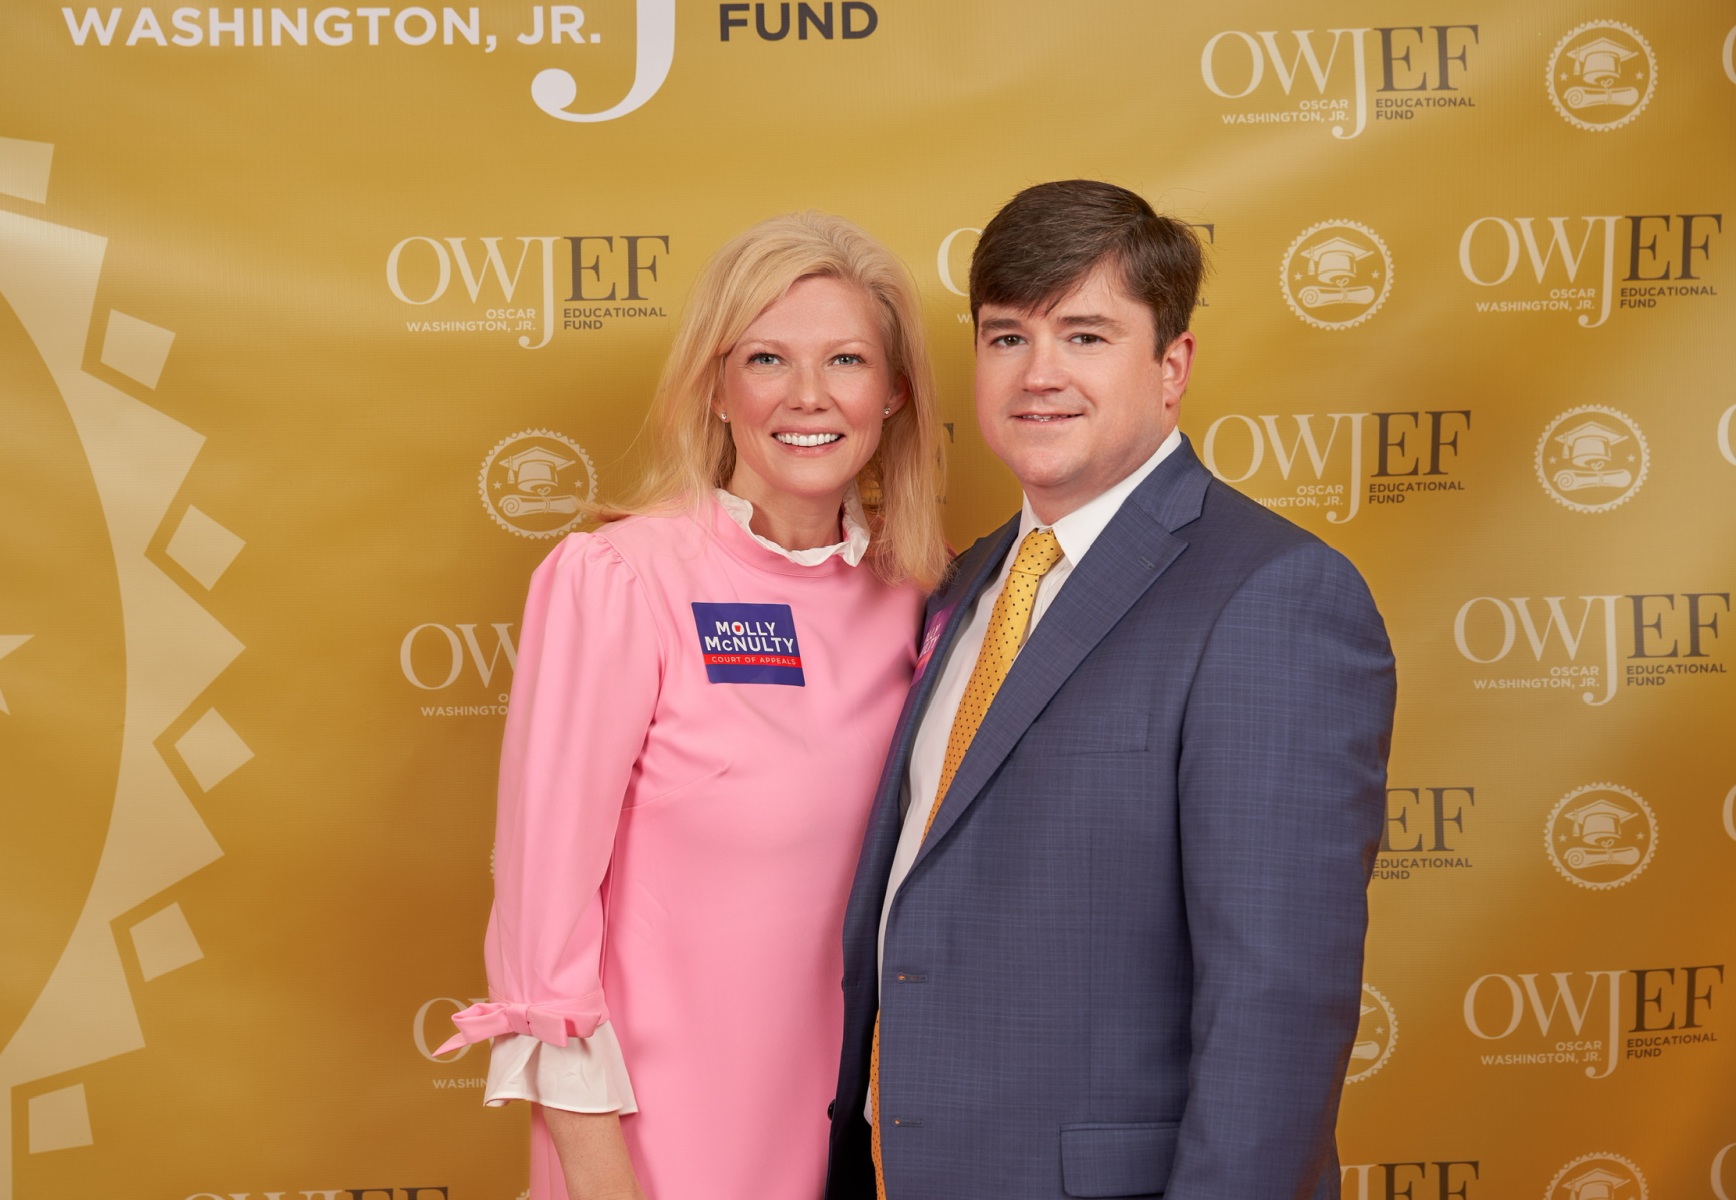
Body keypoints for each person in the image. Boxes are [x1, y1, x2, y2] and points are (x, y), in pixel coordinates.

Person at [826, 180, 1397, 1200]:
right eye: (1007, 338)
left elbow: (1275, 1006)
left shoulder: (1274, 595)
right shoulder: (967, 581)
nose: (1038, 374)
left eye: (1085, 337)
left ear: (1172, 367)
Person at [439, 212, 947, 1200]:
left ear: (892, 393)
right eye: (767, 358)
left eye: (845, 360)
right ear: (716, 388)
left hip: (863, 1139)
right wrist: (598, 1175)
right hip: (655, 1143)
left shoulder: (922, 597)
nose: (808, 395)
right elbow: (543, 918)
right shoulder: (620, 579)